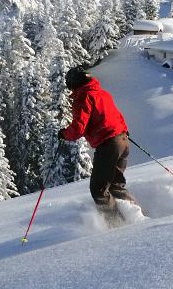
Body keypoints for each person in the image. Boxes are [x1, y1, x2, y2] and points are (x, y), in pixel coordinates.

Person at [59, 66, 141, 225]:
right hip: (122, 140)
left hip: (109, 144)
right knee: (116, 186)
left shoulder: (84, 97)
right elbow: (118, 115)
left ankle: (117, 224)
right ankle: (138, 217)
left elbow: (78, 128)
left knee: (98, 189)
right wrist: (124, 132)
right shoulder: (102, 93)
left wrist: (64, 134)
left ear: (74, 83)